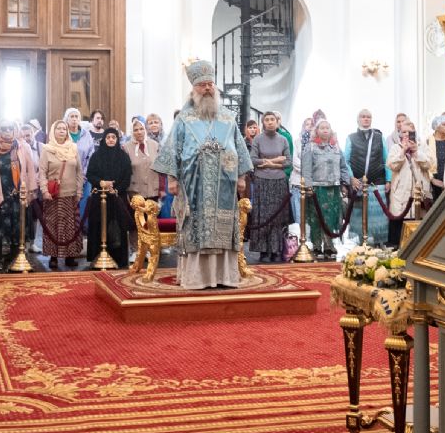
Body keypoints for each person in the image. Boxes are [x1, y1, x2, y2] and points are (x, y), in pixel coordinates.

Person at [152, 59, 254, 289]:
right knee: (195, 228)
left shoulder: (227, 117)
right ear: (194, 89)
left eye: (210, 84)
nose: (207, 88)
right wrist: (172, 179)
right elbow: (171, 151)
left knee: (223, 229)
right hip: (193, 184)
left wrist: (240, 177)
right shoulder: (183, 119)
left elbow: (238, 147)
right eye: (202, 85)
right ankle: (197, 278)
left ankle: (224, 277)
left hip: (225, 185)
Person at [0, 119, 39, 271]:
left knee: (17, 226)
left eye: (10, 129)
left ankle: (14, 257)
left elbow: (30, 171)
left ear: (14, 130)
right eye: (4, 129)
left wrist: (32, 192)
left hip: (18, 194)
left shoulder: (22, 146)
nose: (7, 132)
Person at [300, 118, 352, 259]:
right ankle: (317, 246)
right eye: (322, 128)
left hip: (333, 188)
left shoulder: (336, 147)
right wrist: (308, 186)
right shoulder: (310, 147)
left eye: (327, 128)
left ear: (331, 131)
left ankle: (329, 245)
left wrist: (344, 184)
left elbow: (343, 167)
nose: (325, 130)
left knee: (331, 218)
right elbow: (306, 169)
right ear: (316, 131)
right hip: (317, 189)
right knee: (317, 218)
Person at [39, 120, 85, 269]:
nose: (61, 131)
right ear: (53, 131)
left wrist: (79, 190)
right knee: (53, 226)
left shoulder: (73, 148)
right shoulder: (47, 149)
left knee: (71, 226)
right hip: (53, 195)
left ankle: (70, 256)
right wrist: (44, 190)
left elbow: (79, 171)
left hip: (71, 194)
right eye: (58, 128)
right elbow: (42, 172)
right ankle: (53, 256)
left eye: (64, 129)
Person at [86, 126, 134, 268]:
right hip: (99, 197)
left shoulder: (123, 156)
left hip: (117, 198)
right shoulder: (96, 155)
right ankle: (97, 257)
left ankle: (118, 259)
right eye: (108, 137)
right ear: (104, 139)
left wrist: (116, 189)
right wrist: (101, 182)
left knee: (117, 227)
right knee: (98, 225)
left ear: (117, 139)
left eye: (113, 137)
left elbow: (127, 177)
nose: (111, 140)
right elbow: (90, 174)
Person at [249, 110, 292, 261]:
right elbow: (253, 160)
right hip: (262, 181)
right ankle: (263, 251)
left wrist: (267, 162)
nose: (270, 122)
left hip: (279, 182)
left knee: (277, 216)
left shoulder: (283, 140)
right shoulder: (258, 140)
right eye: (266, 119)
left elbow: (288, 161)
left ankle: (276, 250)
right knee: (263, 216)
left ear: (277, 121)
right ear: (263, 122)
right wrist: (276, 161)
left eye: (272, 119)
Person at [344, 108, 387, 245]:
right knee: (359, 218)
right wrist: (351, 178)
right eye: (363, 116)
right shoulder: (351, 137)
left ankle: (378, 245)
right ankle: (361, 245)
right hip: (358, 184)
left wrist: (389, 180)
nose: (366, 119)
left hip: (377, 183)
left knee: (378, 219)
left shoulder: (380, 137)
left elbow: (387, 160)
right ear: (358, 119)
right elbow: (346, 161)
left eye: (368, 116)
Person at [385, 126, 432, 248]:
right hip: (400, 194)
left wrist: (416, 151)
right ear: (400, 134)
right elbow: (392, 165)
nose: (407, 134)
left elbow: (429, 164)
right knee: (398, 227)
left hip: (418, 194)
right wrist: (403, 152)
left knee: (417, 228)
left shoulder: (422, 147)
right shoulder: (395, 148)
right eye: (404, 132)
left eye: (410, 132)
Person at [420, 113, 445, 202]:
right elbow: (424, 162)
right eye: (444, 124)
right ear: (437, 126)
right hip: (432, 179)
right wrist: (432, 179)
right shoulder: (427, 141)